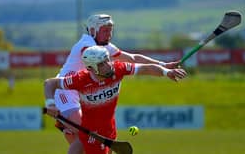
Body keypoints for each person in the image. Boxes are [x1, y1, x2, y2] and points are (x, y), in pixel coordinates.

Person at [53, 13, 180, 151]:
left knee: (84, 143)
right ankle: (70, 129)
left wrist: (163, 65)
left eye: (110, 29)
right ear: (93, 31)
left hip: (82, 94)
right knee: (87, 135)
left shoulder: (103, 46)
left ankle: (69, 130)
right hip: (66, 92)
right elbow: (91, 54)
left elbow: (132, 58)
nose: (109, 34)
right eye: (105, 30)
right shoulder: (88, 45)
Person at [45, 46, 187, 154]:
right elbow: (50, 83)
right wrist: (50, 104)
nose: (107, 65)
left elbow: (145, 69)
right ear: (91, 68)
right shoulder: (81, 80)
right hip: (90, 132)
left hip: (109, 130)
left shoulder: (118, 69)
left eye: (107, 60)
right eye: (101, 64)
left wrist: (166, 72)